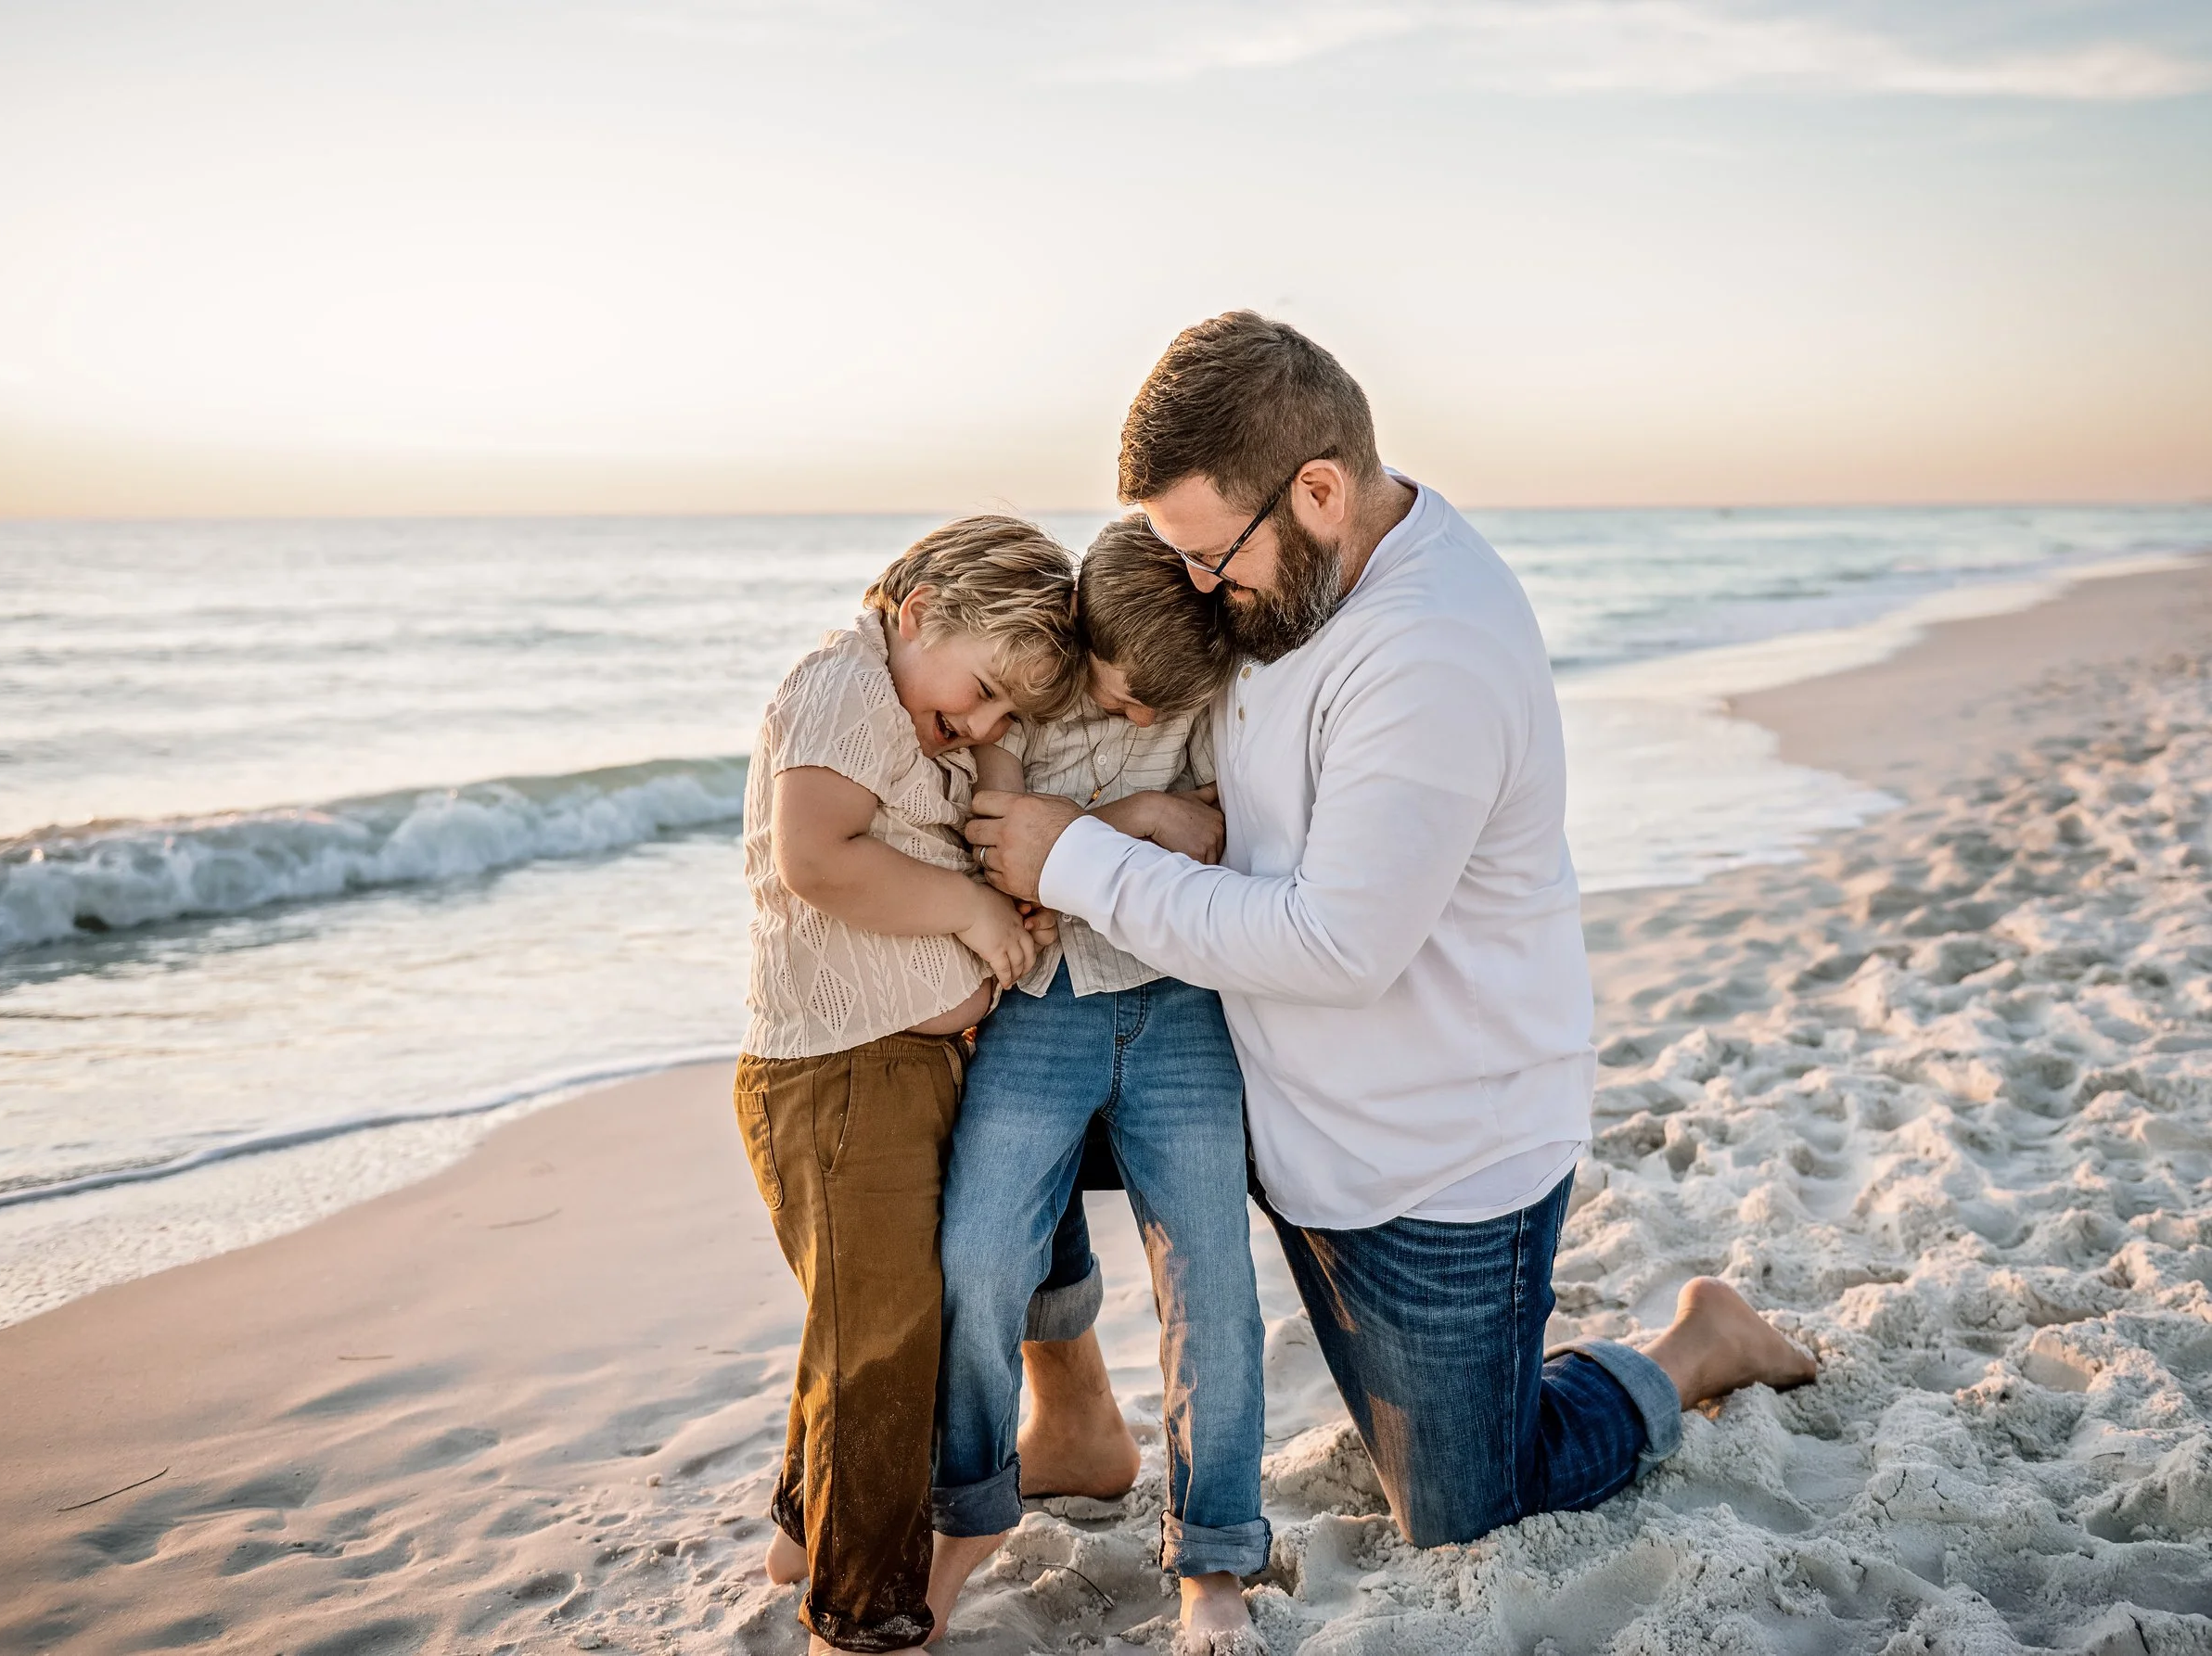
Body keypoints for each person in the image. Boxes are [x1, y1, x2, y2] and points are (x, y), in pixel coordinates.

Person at [967, 313, 1817, 1556]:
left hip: (1426, 1160)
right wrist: (1169, 812)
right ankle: (1075, 1411)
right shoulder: (1289, 581)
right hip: (1262, 1082)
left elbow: (1335, 945)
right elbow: (1268, 792)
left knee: (1472, 1509)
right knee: (969, 1095)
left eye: (1213, 557)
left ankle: (1693, 1343)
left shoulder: (1434, 649)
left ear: (1318, 489)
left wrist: (1076, 855)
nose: (1199, 589)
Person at [735, 516, 1078, 1653]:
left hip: (902, 1066)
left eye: (1004, 715)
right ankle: (864, 1607)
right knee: (883, 1335)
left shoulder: (914, 714)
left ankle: (804, 1519)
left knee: (872, 1315)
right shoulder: (844, 684)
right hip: (835, 1080)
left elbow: (938, 835)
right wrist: (975, 915)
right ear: (918, 608)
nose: (981, 724)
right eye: (980, 691)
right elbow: (818, 856)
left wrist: (993, 771)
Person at [928, 518, 1267, 1651]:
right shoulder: (1022, 695)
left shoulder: (1197, 684)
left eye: (1150, 716)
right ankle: (963, 1513)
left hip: (1180, 1004)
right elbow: (994, 835)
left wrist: (1118, 825)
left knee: (1210, 1276)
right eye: (1120, 697)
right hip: (1041, 1007)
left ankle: (1214, 1555)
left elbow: (1220, 829)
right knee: (979, 1253)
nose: (1133, 718)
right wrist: (1137, 826)